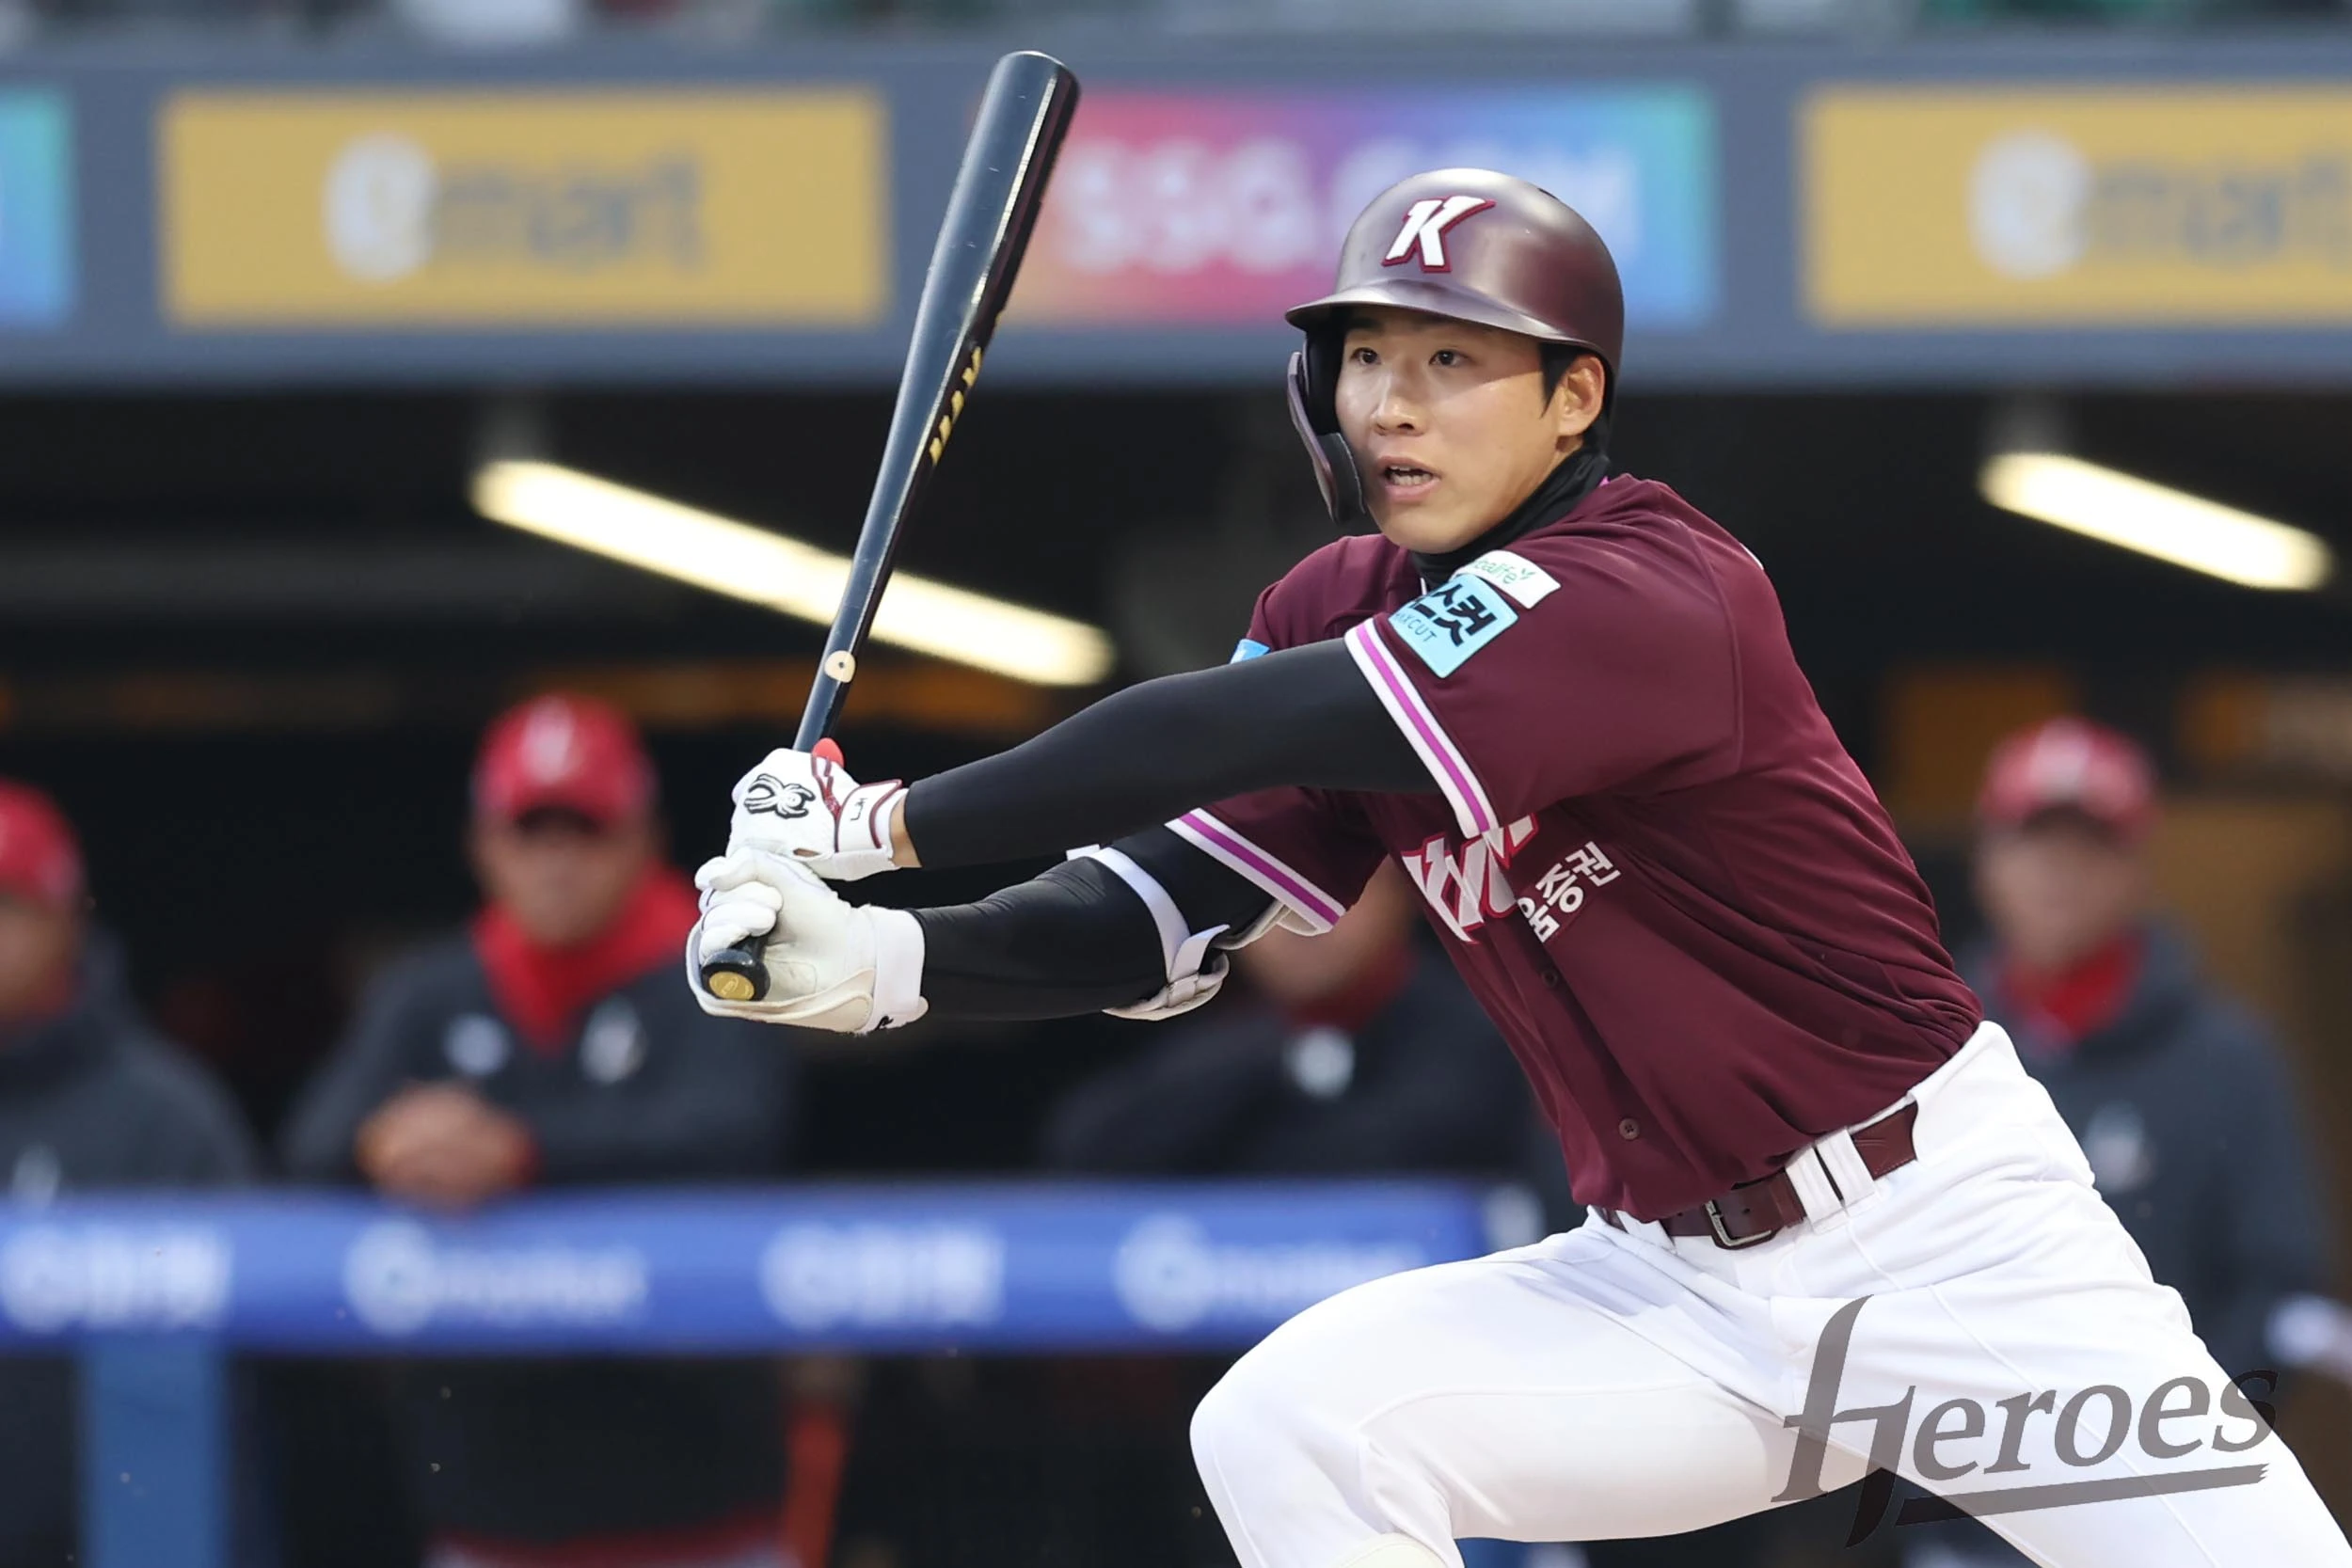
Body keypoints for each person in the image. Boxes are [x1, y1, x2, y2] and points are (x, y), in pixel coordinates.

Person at [685, 169, 2352, 1566]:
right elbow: (1163, 902)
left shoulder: (1656, 585)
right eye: (1368, 357)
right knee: (1292, 1425)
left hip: (1943, 1245)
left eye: (1454, 359)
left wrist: (884, 825)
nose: (1395, 402)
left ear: (1574, 399)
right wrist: (886, 962)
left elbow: (1224, 723)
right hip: (1668, 1291)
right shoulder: (1337, 601)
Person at [282, 694, 798, 1568]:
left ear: (643, 838)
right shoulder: (431, 990)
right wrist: (390, 1144)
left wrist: (521, 1151)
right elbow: (311, 1142)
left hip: (699, 1507)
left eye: (585, 829)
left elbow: (737, 1131)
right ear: (483, 845)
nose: (556, 860)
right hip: (491, 1517)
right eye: (530, 830)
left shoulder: (720, 969)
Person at [1888, 718, 2337, 1568]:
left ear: (2138, 867)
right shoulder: (1922, 1051)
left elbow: (2279, 1288)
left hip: (2170, 1522)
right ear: (1986, 862)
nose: (2059, 871)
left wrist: (2173, 1452)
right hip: (1963, 1527)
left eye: (2090, 845)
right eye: (2034, 841)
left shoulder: (2229, 1058)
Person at [0, 779, 257, 1568]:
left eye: (8, 905)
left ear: (66, 919)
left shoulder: (165, 1112)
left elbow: (258, 1340)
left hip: (118, 1537)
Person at [1044, 863, 1528, 1177]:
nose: (1301, 924)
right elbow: (1088, 1145)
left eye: (1336, 893)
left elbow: (1438, 1142)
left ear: (1404, 896)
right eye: (1268, 904)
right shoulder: (1195, 1022)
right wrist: (1268, 1060)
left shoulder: (1490, 1029)